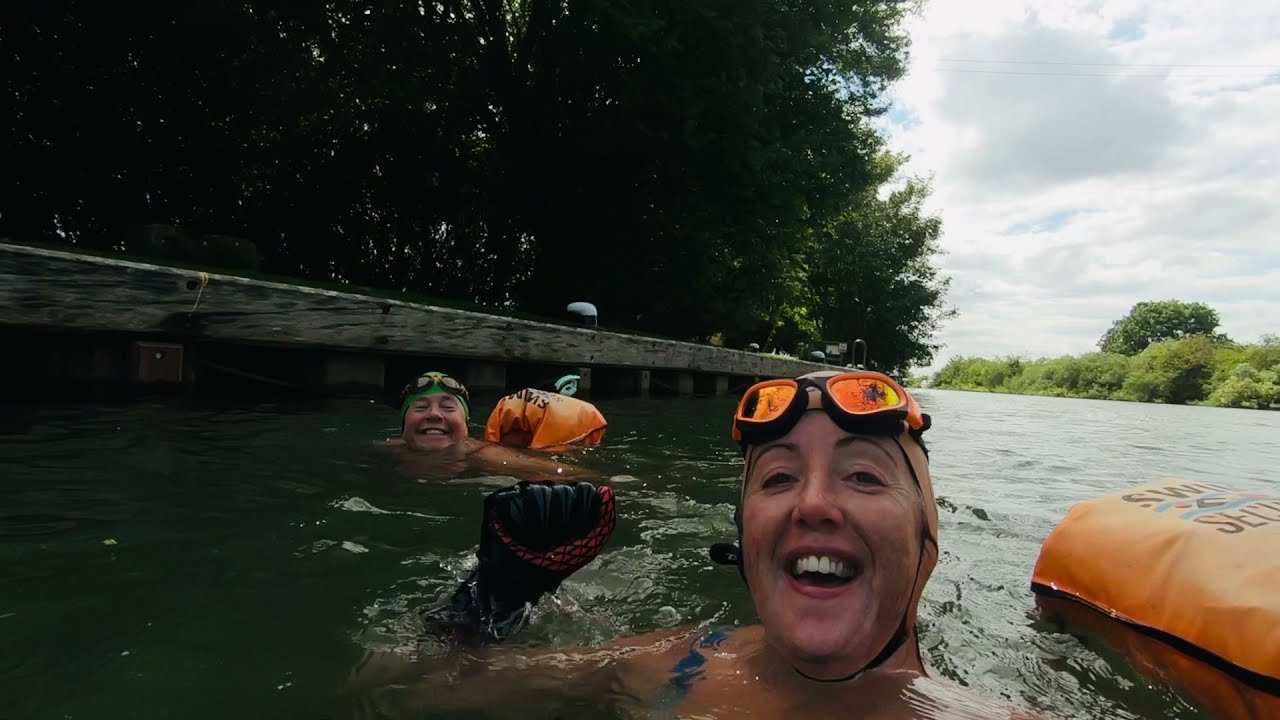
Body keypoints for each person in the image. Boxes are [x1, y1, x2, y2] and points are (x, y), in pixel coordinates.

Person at [351, 370, 1040, 719]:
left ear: (928, 539)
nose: (814, 503)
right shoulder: (672, 664)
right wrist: (488, 601)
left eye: (863, 474)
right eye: (778, 478)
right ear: (746, 540)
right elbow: (397, 687)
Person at [383, 371, 597, 483]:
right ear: (403, 425)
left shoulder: (485, 454)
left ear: (466, 426)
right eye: (420, 407)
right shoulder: (389, 448)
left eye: (448, 407)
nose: (434, 414)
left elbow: (572, 474)